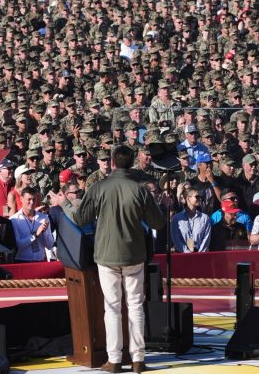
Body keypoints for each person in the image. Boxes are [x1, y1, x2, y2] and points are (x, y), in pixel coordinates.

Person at [75, 145, 166, 374]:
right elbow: (157, 223)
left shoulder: (98, 187)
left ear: (113, 162)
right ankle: (138, 359)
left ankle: (114, 360)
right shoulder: (140, 189)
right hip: (133, 254)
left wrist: (66, 203)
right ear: (131, 162)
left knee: (112, 308)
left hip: (106, 255)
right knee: (135, 306)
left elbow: (80, 218)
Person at [8, 188, 53, 262]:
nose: (32, 202)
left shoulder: (44, 218)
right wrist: (35, 235)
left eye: (34, 199)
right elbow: (18, 245)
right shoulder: (14, 220)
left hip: (40, 260)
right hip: (22, 261)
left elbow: (49, 245)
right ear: (21, 199)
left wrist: (44, 232)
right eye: (29, 199)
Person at [170, 187, 211, 253]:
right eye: (197, 197)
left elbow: (206, 239)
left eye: (200, 197)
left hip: (200, 256)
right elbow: (176, 240)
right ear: (188, 198)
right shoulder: (177, 219)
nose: (199, 199)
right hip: (182, 256)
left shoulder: (205, 218)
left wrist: (199, 254)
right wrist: (187, 253)